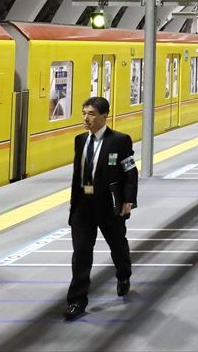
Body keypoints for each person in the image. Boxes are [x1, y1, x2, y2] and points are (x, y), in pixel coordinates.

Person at [64, 96, 137, 321]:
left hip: (109, 206)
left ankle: (123, 275)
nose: (86, 118)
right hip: (83, 207)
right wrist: (73, 202)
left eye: (92, 114)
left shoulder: (120, 141)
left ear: (104, 116)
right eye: (84, 113)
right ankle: (77, 300)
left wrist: (128, 200)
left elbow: (130, 172)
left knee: (118, 246)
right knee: (81, 254)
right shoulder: (79, 140)